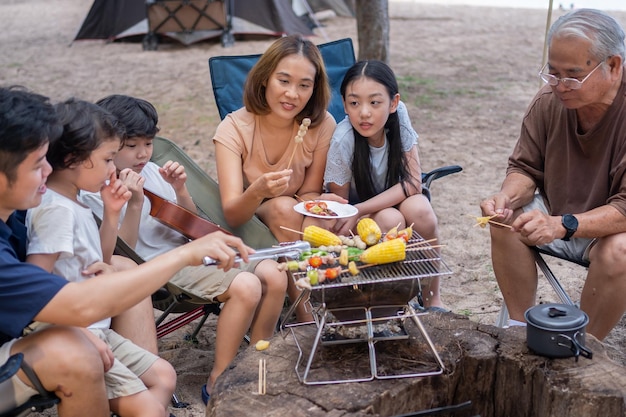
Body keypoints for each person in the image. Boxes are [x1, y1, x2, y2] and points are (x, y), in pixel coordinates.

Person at [0, 85, 253, 417]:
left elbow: (98, 264)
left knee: (119, 266)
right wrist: (184, 254)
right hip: (28, 346)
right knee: (75, 351)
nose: (47, 170)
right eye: (37, 165)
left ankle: (136, 387)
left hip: (48, 327)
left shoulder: (22, 210)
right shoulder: (52, 208)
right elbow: (74, 304)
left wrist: (117, 213)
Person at [81, 94, 288, 405]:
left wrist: (179, 189)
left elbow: (190, 224)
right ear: (109, 145)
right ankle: (218, 379)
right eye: (132, 146)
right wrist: (134, 202)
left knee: (275, 272)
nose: (143, 153)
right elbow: (126, 251)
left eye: (148, 144)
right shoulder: (99, 190)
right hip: (159, 269)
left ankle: (253, 364)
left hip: (192, 253)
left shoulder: (152, 171)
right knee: (246, 284)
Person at [24, 98, 178, 417]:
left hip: (98, 329)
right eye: (108, 159)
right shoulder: (55, 211)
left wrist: (111, 213)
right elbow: (35, 285)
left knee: (165, 376)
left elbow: (102, 259)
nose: (113, 169)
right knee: (149, 409)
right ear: (71, 159)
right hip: (74, 334)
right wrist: (79, 333)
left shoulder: (75, 201)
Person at [479, 8, 626, 340]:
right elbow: (525, 169)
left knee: (620, 249)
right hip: (560, 217)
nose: (560, 86)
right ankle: (519, 331)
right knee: (504, 218)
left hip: (608, 231)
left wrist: (562, 225)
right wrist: (506, 197)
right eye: (553, 73)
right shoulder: (549, 101)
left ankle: (585, 346)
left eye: (572, 75)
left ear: (613, 66)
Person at [212, 34, 342, 321]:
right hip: (249, 224)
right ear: (264, 79)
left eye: (304, 85)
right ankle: (306, 315)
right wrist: (257, 191)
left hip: (293, 218)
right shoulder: (232, 129)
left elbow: (308, 192)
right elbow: (233, 214)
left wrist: (316, 212)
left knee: (319, 212)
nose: (293, 94)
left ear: (314, 89)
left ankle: (332, 303)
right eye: (283, 81)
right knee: (283, 206)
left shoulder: (321, 126)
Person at [323, 60, 445, 310]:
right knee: (390, 219)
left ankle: (433, 296)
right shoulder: (343, 139)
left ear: (393, 102)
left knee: (421, 209)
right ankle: (393, 300)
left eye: (374, 102)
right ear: (344, 105)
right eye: (354, 103)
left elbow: (413, 182)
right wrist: (361, 210)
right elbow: (344, 208)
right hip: (357, 217)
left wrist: (363, 207)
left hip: (391, 199)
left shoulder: (400, 116)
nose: (364, 112)